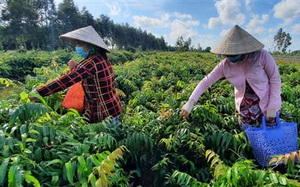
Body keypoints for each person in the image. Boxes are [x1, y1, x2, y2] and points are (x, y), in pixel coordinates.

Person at [181, 25, 282, 131]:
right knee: (250, 141)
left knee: (271, 137)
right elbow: (206, 82)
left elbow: (275, 80)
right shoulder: (224, 66)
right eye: (228, 54)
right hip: (245, 112)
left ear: (243, 50)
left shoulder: (262, 56)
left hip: (268, 106)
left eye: (234, 54)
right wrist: (190, 102)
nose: (230, 57)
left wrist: (272, 108)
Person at [31, 25, 122, 124]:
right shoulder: (102, 58)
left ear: (89, 45)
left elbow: (65, 81)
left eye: (79, 44)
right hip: (113, 107)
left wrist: (39, 92)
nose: (77, 47)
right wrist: (78, 66)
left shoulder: (89, 63)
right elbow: (94, 73)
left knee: (103, 138)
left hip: (103, 113)